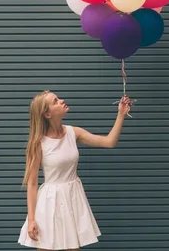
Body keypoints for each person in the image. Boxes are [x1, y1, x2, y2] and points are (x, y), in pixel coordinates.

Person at [17, 90, 132, 250]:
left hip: (73, 197)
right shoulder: (38, 143)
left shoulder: (73, 132)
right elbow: (32, 184)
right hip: (50, 201)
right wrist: (31, 220)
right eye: (56, 101)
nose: (62, 101)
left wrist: (121, 114)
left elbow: (109, 142)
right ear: (47, 114)